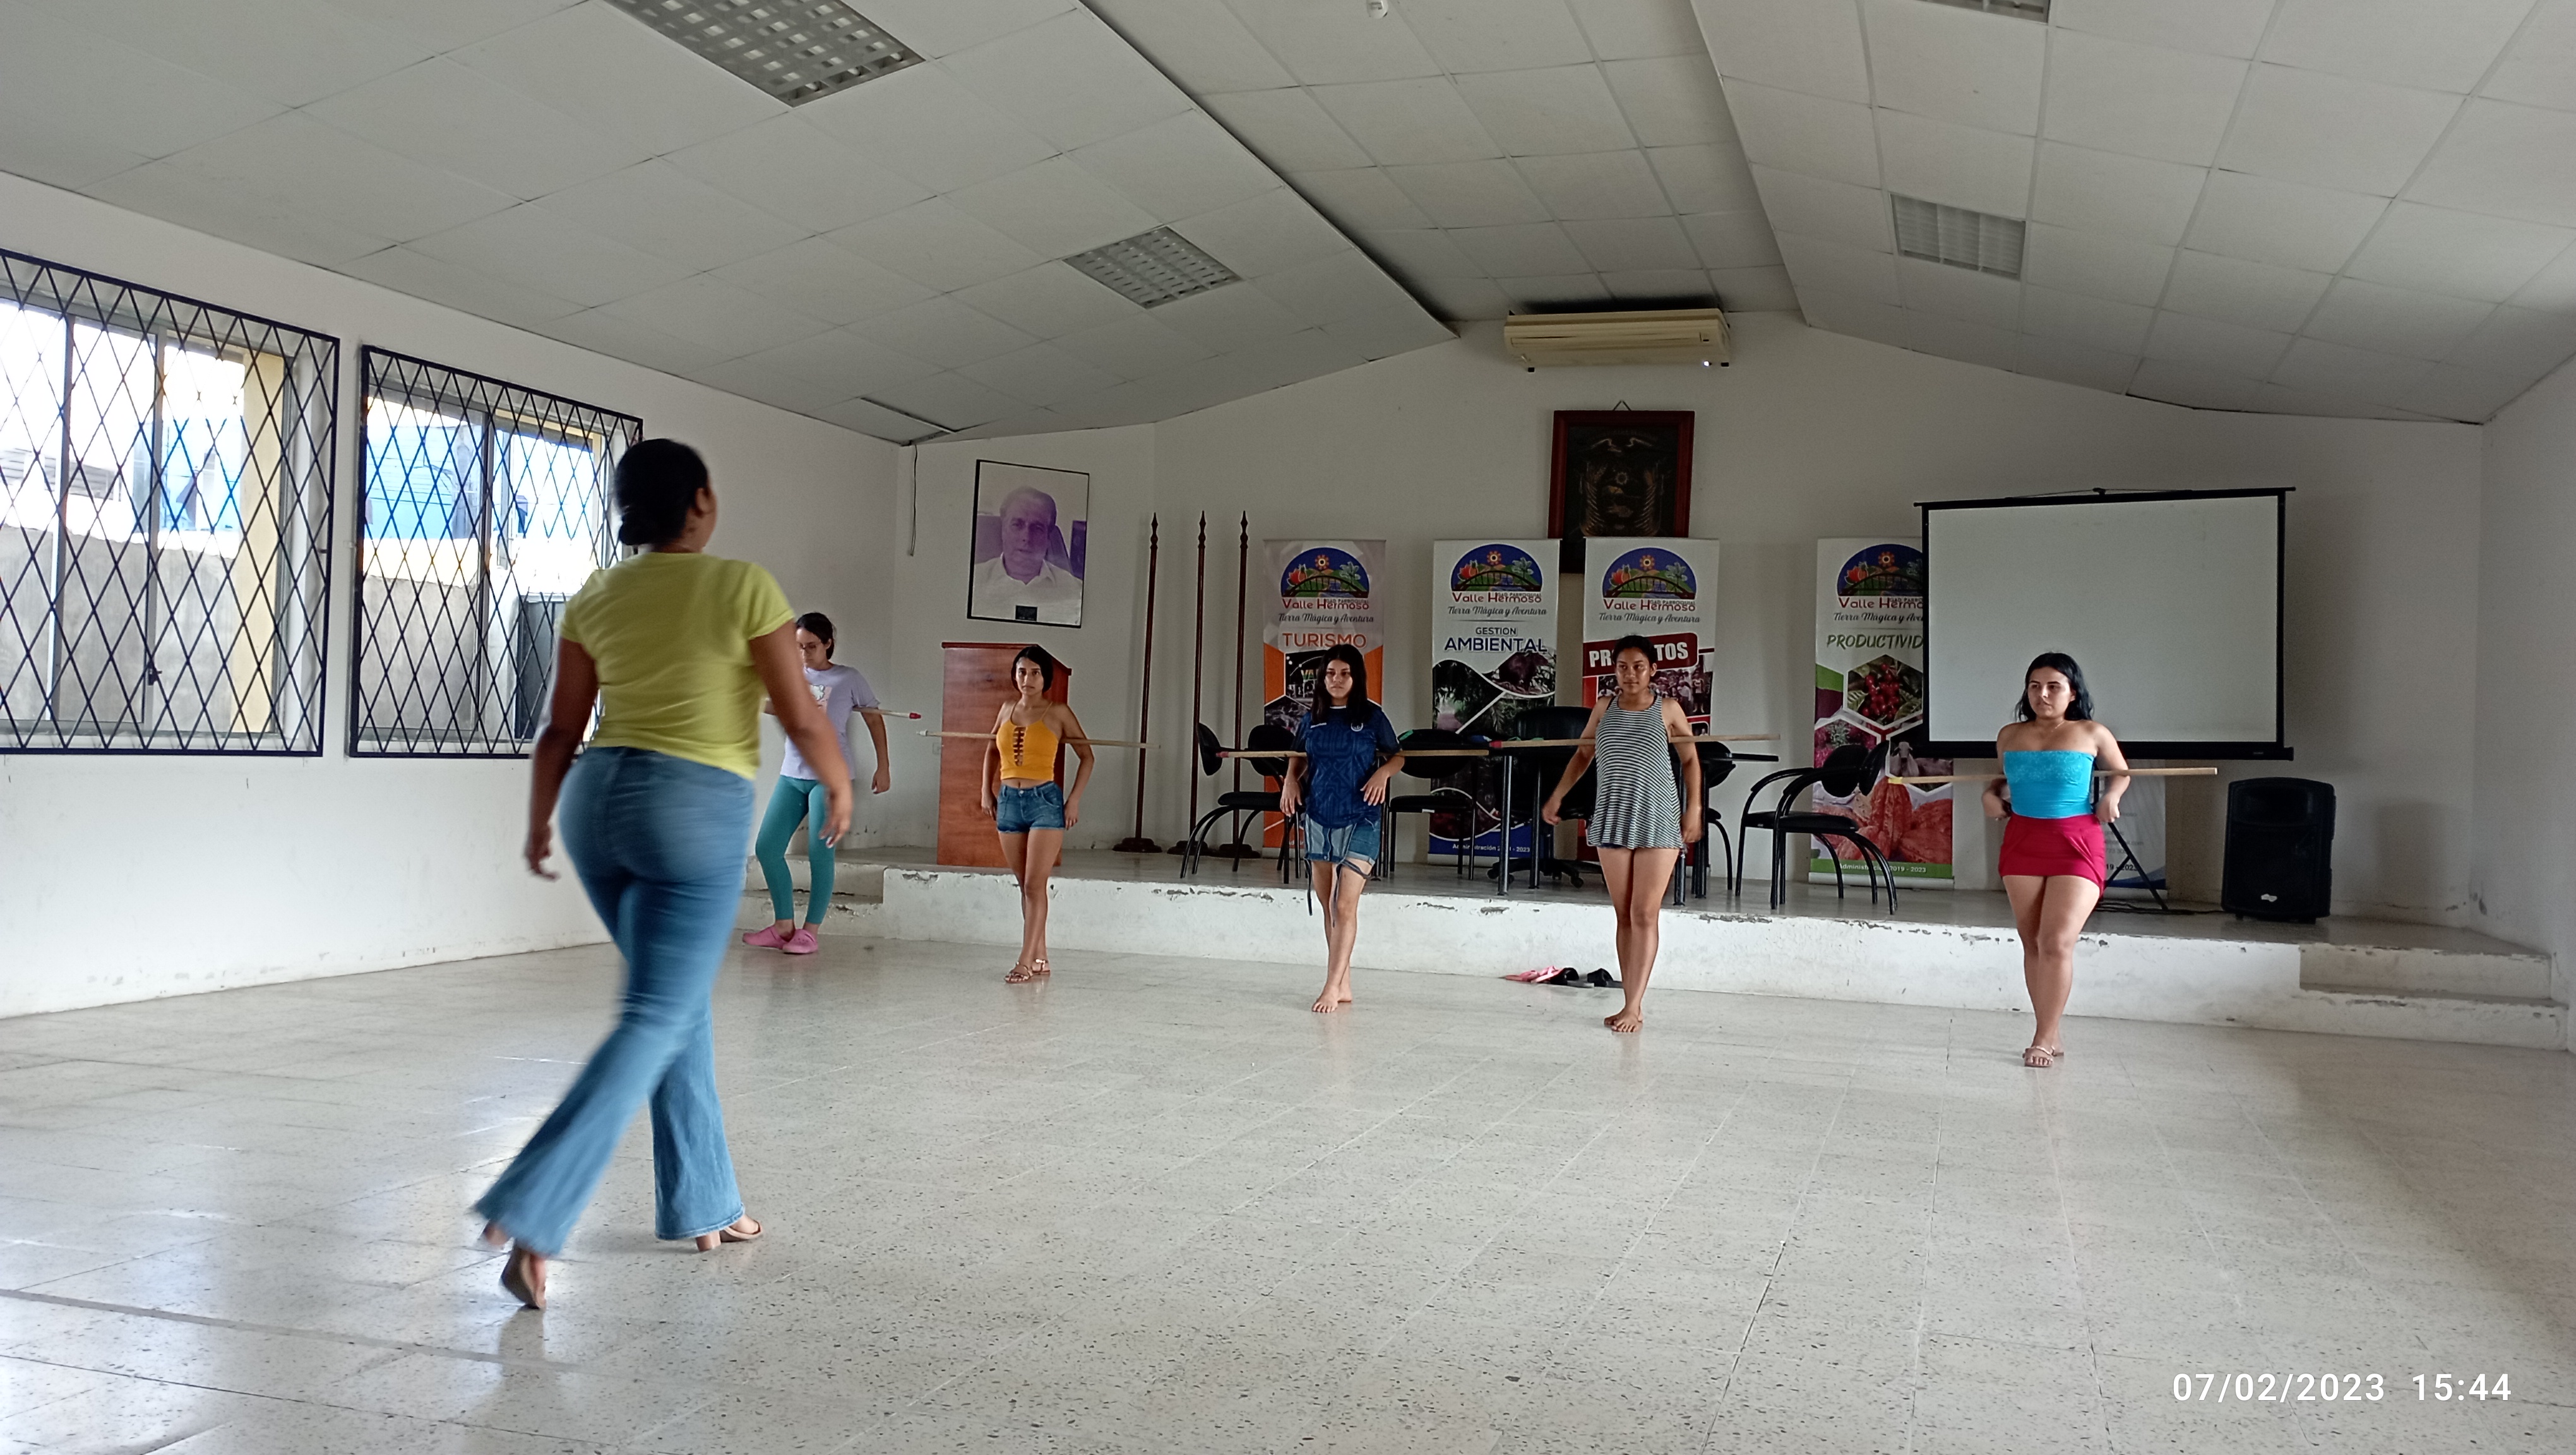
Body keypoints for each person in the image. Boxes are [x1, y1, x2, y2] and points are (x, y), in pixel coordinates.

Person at [475, 440, 852, 1310]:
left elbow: (562, 729)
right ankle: (534, 1206)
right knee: (656, 1012)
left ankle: (705, 1201)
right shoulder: (743, 586)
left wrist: (538, 820)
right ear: (701, 503)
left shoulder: (597, 594)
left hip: (598, 803)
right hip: (690, 807)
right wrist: (837, 781)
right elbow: (799, 710)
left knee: (675, 1002)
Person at [1542, 636, 1703, 1033]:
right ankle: (1630, 1002)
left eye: (1638, 667)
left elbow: (1690, 760)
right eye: (1623, 667)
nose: (1630, 674)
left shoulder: (1668, 709)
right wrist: (1557, 796)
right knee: (1624, 914)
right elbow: (1584, 754)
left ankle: (1633, 1006)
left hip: (1657, 817)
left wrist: (1694, 809)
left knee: (1645, 913)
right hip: (1612, 815)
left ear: (1652, 670)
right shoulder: (1604, 707)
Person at [1981, 651, 2128, 1069]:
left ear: (2073, 692)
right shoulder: (2010, 735)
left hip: (2076, 842)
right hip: (2023, 840)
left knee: (2057, 941)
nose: (2042, 694)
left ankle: (2043, 1039)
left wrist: (2112, 796)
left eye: (2053, 686)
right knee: (2032, 942)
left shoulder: (2092, 732)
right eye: (2035, 686)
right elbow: (2004, 780)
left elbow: (2121, 773)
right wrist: (1991, 794)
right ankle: (2050, 1029)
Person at [744, 611, 890, 954]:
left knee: (819, 853)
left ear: (828, 644)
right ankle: (783, 926)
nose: (804, 653)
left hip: (829, 776)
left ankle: (810, 932)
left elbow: (874, 720)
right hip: (792, 774)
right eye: (798, 647)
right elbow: (780, 708)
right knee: (767, 848)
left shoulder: (849, 678)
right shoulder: (790, 675)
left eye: (811, 646)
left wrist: (883, 765)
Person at [1275, 644, 1404, 1014]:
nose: (1337, 679)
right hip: (1319, 814)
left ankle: (1331, 987)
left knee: (1345, 904)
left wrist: (1383, 773)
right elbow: (1298, 756)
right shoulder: (1311, 718)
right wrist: (1290, 781)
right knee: (1327, 903)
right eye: (1331, 673)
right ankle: (1343, 982)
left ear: (1356, 677)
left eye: (1345, 673)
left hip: (1362, 814)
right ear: (1322, 677)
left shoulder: (1372, 716)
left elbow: (1398, 755)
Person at [981, 645, 1093, 982]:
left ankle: (1025, 961)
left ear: (1046, 678)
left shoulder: (1058, 712)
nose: (1027, 679)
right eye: (1021, 672)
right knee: (1025, 886)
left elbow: (1087, 756)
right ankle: (1040, 957)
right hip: (1008, 800)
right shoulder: (1006, 709)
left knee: (1034, 885)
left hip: (1044, 800)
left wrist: (1074, 800)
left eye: (1034, 673)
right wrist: (985, 790)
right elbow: (991, 750)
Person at [972, 487, 1082, 625]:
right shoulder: (972, 583)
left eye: (1037, 528)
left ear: (1048, 538)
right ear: (1003, 530)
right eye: (1017, 525)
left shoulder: (1077, 592)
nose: (1026, 538)